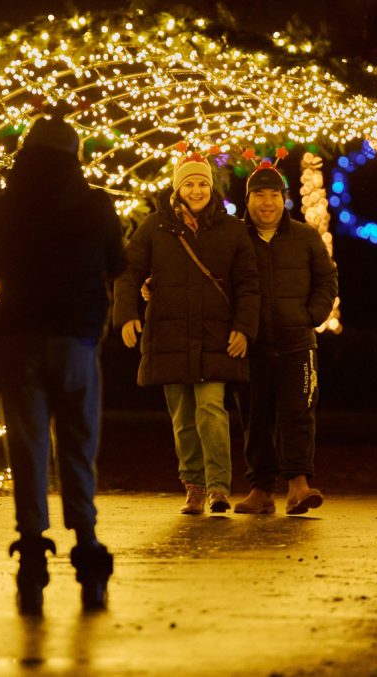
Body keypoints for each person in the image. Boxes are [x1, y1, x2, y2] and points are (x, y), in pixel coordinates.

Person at [0, 114, 127, 615]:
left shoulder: (6, 206)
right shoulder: (94, 204)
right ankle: (86, 545)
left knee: (27, 446)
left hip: (18, 340)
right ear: (75, 156)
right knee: (78, 447)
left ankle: (32, 555)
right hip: (77, 341)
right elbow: (118, 262)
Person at [113, 147, 260, 515]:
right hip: (169, 335)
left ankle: (219, 488)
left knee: (211, 408)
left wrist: (244, 327)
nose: (196, 190)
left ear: (211, 187)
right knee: (182, 416)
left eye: (202, 183)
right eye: (189, 184)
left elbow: (247, 283)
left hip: (216, 335)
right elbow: (129, 272)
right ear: (177, 189)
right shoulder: (155, 227)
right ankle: (193, 486)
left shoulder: (231, 229)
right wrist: (127, 314)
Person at [232, 158, 338, 515]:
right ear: (247, 200)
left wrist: (312, 316)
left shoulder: (305, 236)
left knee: (298, 414)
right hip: (251, 345)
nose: (267, 202)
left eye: (274, 194)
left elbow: (327, 280)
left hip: (298, 345)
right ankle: (261, 490)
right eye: (259, 194)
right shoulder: (235, 240)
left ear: (284, 198)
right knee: (255, 418)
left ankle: (298, 487)